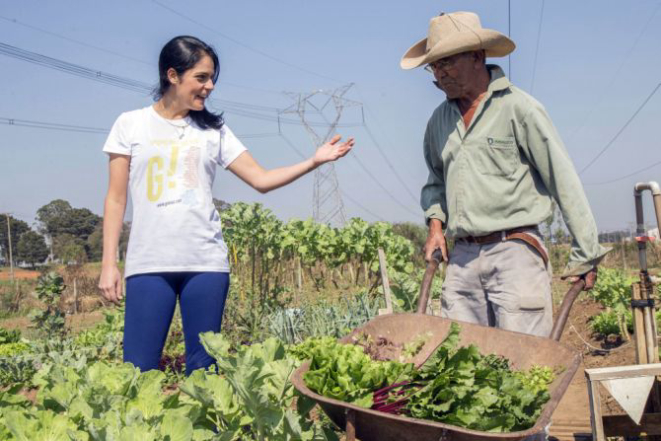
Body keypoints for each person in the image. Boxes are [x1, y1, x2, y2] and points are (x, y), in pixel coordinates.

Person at [98, 35, 354, 374]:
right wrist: (108, 263)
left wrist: (314, 161)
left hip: (205, 263)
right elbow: (116, 198)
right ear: (172, 75)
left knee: (205, 373)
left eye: (212, 78)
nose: (210, 86)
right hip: (148, 263)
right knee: (136, 370)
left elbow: (261, 180)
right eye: (201, 78)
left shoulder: (214, 130)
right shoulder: (130, 124)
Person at [400, 12, 609, 338]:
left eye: (448, 63)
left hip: (515, 252)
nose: (440, 74)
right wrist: (436, 226)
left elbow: (562, 179)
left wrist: (586, 253)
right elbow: (436, 182)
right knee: (459, 360)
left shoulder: (520, 109)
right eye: (435, 66)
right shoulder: (438, 121)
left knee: (523, 366)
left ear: (478, 56)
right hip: (463, 258)